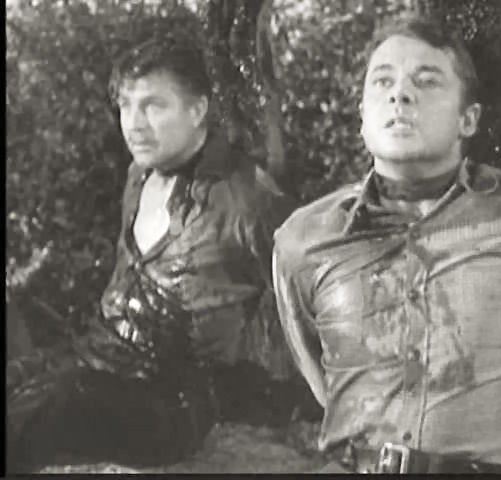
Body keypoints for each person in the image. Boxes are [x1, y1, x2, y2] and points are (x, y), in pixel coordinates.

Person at [272, 15, 501, 474]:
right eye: (382, 82)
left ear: (467, 119)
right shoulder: (304, 238)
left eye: (427, 80)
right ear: (362, 117)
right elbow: (318, 371)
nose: (399, 94)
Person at [7, 30, 300, 472]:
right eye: (126, 105)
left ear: (197, 110)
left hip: (177, 398)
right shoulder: (139, 175)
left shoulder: (248, 197)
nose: (134, 123)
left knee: (55, 403)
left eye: (153, 106)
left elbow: (308, 298)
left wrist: (270, 395)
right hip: (102, 360)